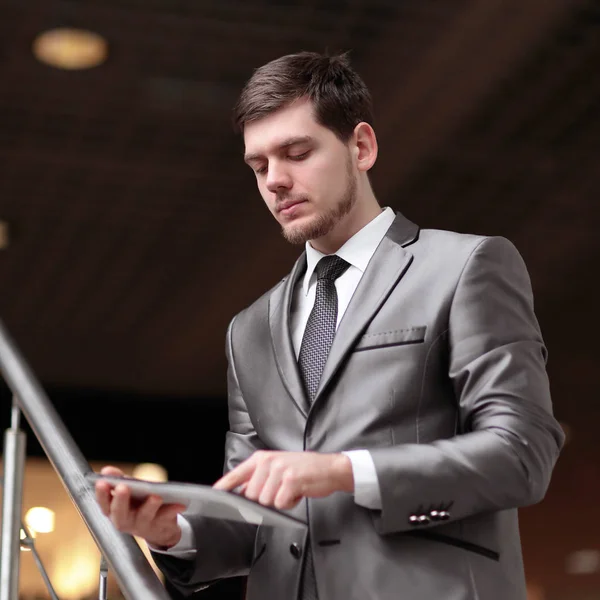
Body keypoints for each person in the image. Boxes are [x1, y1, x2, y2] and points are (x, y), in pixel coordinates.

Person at [95, 51, 565, 600]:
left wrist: (345, 471)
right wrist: (174, 532)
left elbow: (521, 452)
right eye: (259, 165)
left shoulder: (465, 266)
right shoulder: (247, 329)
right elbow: (254, 517)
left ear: (360, 147)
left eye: (296, 153)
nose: (275, 180)